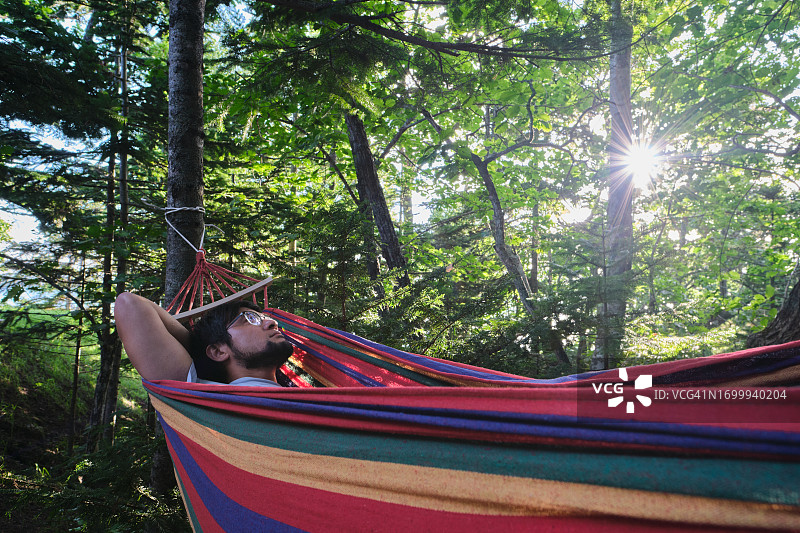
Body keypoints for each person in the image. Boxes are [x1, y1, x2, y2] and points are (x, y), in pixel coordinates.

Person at [114, 292, 294, 387]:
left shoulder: (301, 398)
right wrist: (198, 348)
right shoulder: (204, 396)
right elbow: (129, 304)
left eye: (264, 318)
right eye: (249, 319)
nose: (272, 323)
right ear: (218, 351)